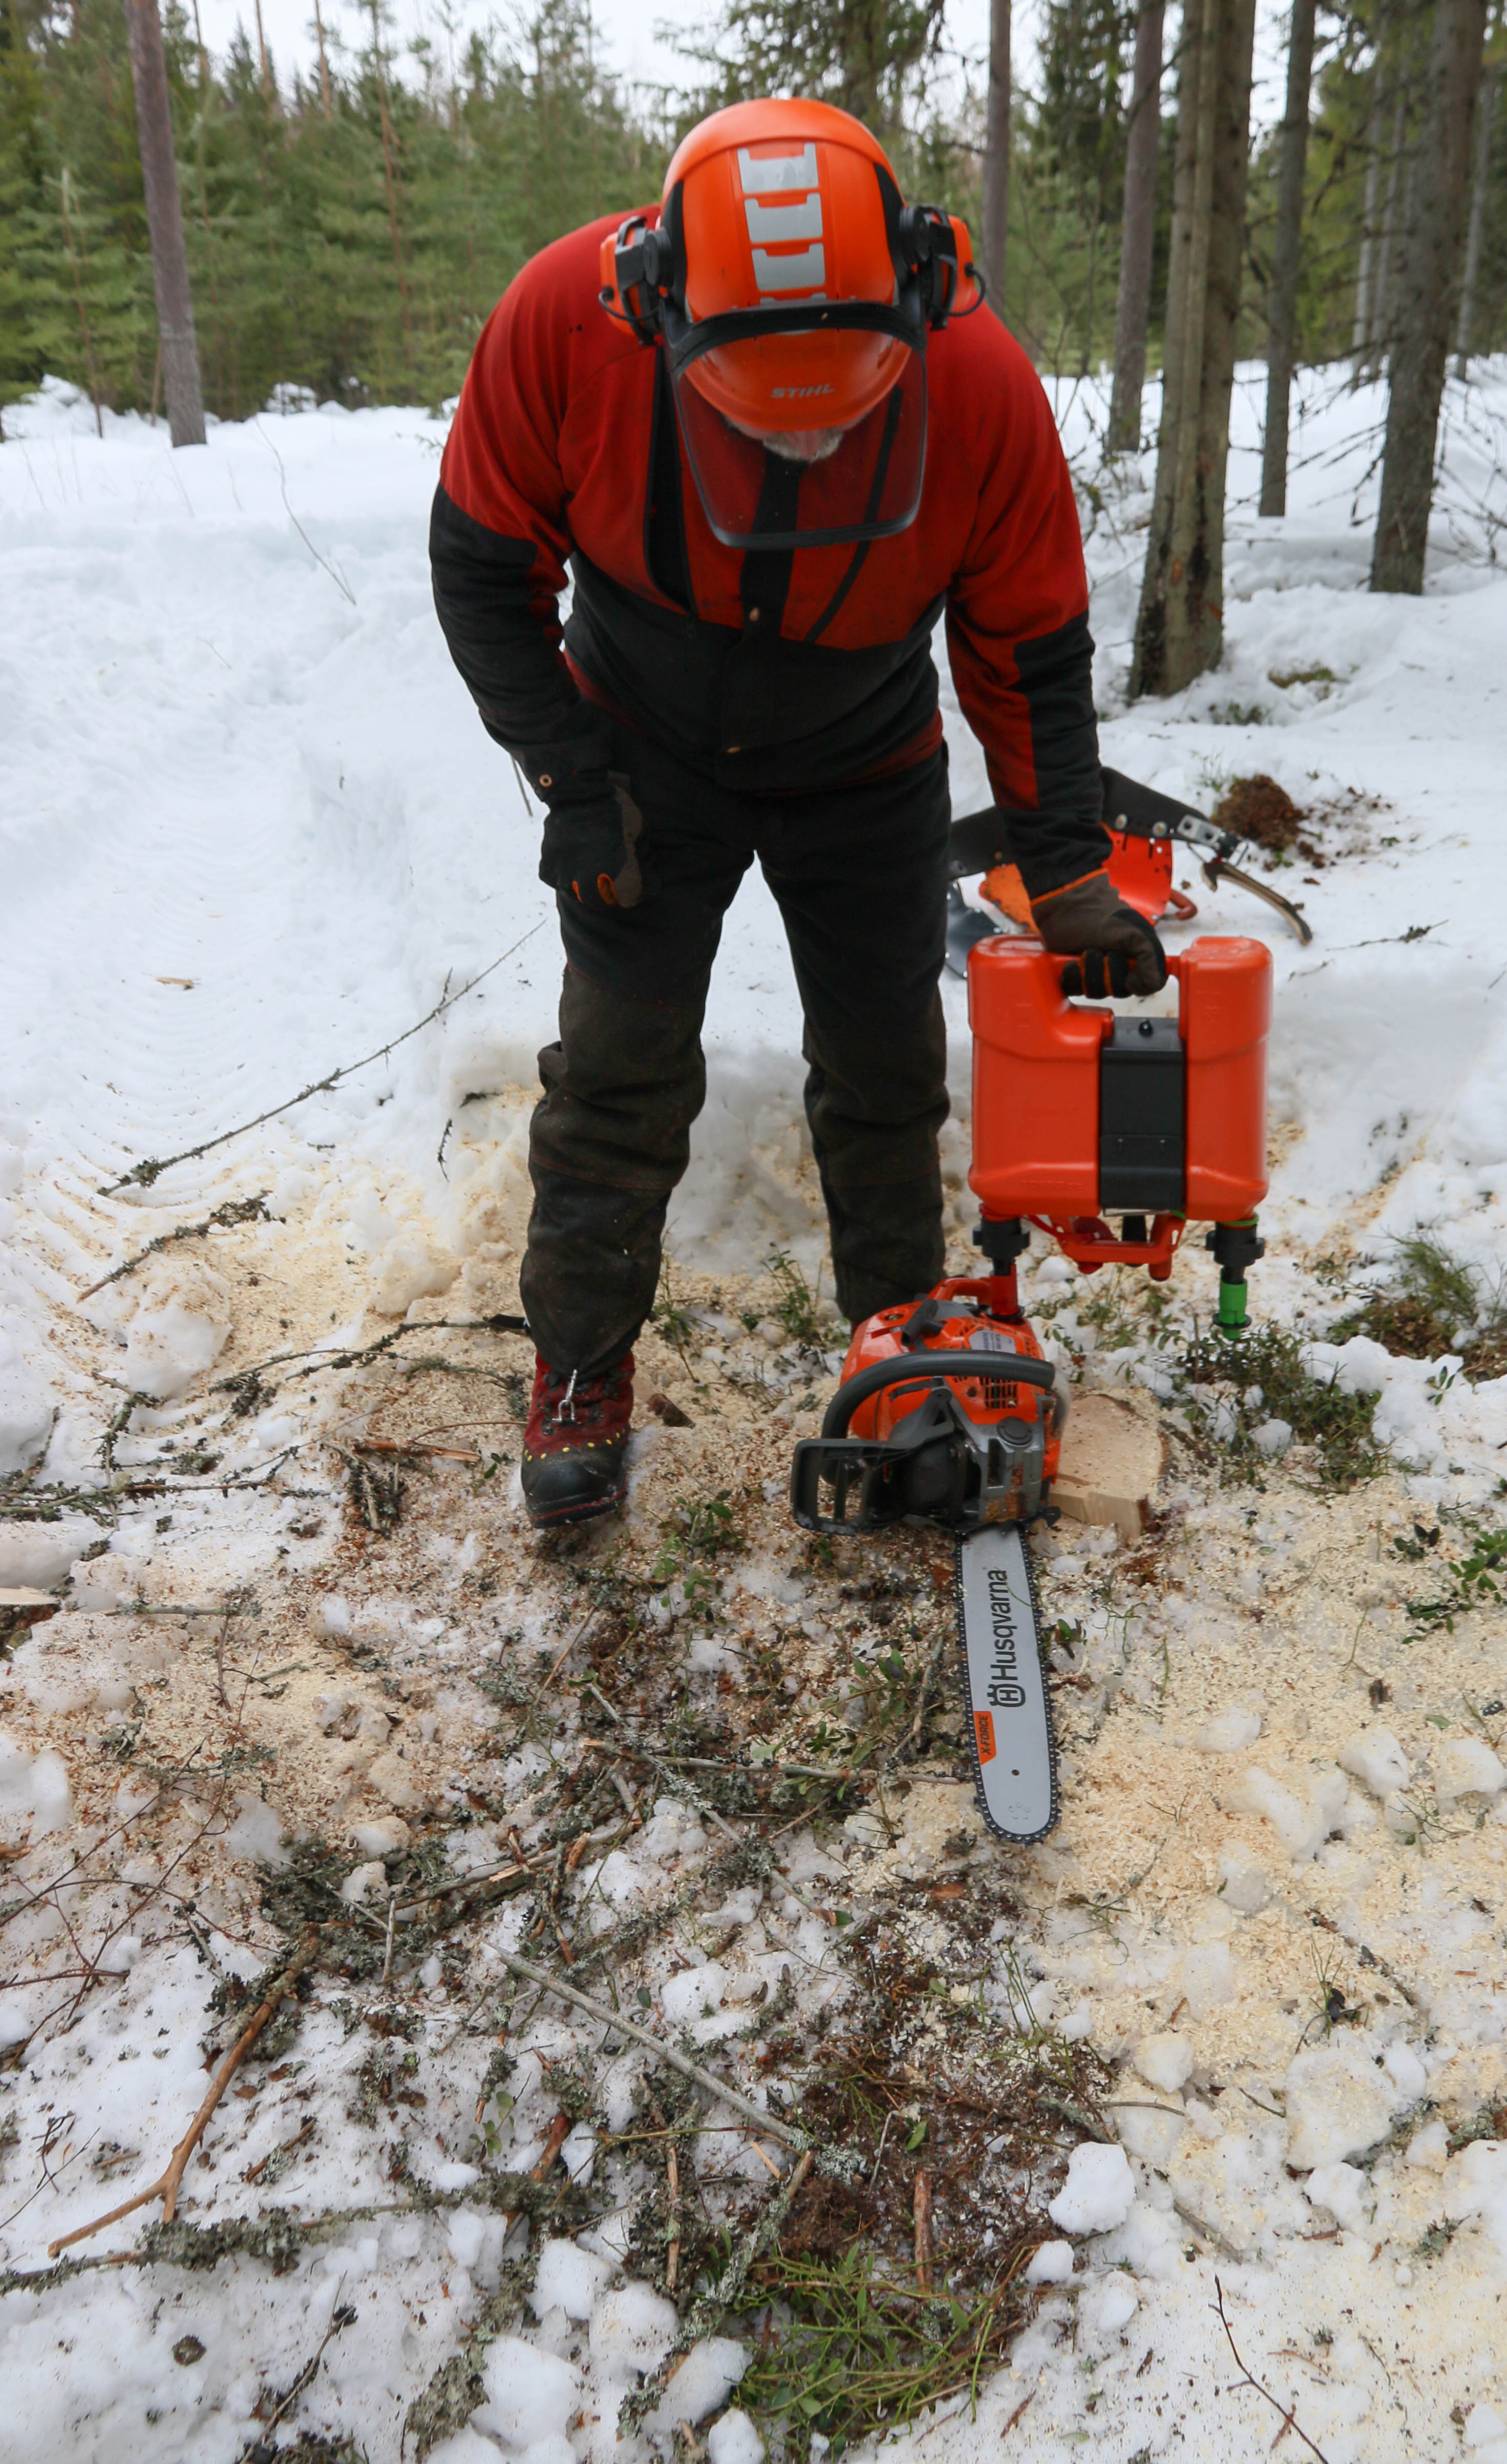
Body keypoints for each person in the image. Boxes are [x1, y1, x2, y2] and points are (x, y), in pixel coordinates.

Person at [430, 96, 1165, 1541]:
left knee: (887, 1064)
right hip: (643, 742)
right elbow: (480, 565)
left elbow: (1025, 645)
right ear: (661, 309)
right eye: (776, 415)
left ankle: (901, 1355)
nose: (816, 445)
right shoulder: (560, 325)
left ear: (919, 288)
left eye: (847, 408)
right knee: (622, 1069)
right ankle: (580, 1368)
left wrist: (1065, 866)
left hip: (865, 754)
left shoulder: (983, 384)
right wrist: (572, 773)